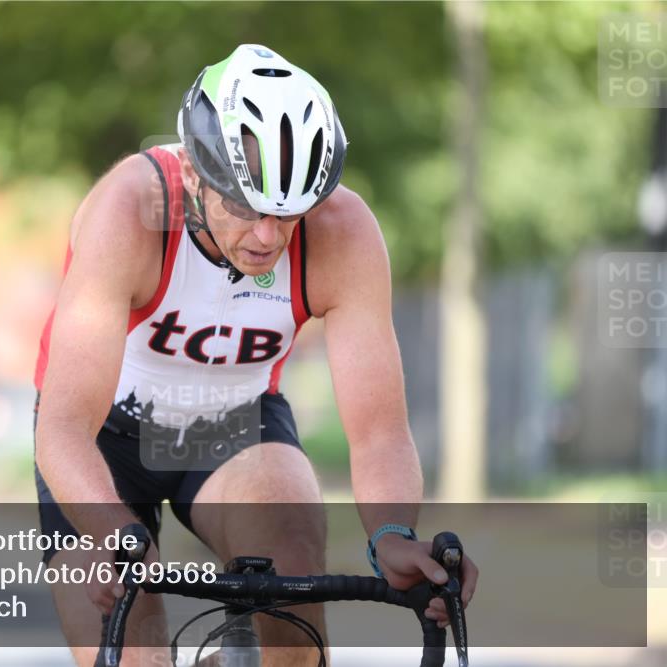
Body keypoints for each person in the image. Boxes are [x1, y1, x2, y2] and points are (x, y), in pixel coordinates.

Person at [33, 44, 478, 666]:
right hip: (99, 436)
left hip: (233, 423)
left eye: (288, 211)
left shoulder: (342, 233)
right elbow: (62, 427)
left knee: (291, 566)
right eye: (244, 206)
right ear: (194, 175)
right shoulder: (130, 210)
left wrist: (392, 536)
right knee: (129, 640)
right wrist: (113, 535)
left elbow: (379, 432)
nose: (268, 236)